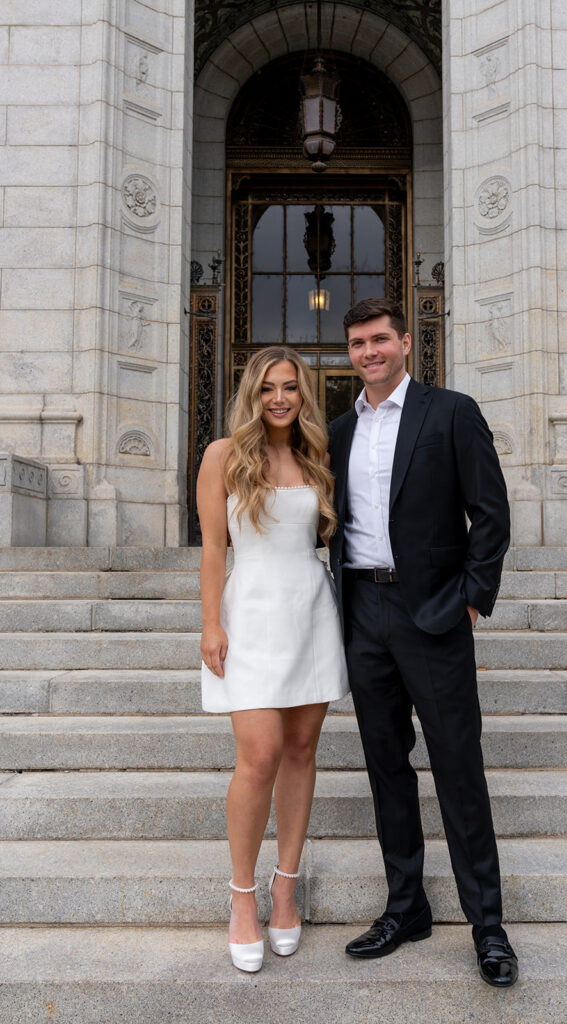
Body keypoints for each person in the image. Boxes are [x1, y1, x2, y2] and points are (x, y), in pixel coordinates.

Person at [327, 298, 518, 988]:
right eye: (356, 343)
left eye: (379, 339)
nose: (368, 351)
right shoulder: (340, 430)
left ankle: (487, 926)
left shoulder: (451, 412)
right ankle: (405, 907)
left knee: (457, 768)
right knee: (386, 766)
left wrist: (469, 599)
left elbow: (490, 515)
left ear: (405, 343)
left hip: (432, 611)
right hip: (363, 611)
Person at [197, 346, 348, 974]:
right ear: (252, 395)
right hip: (251, 611)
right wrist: (211, 622)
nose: (280, 398)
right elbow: (211, 548)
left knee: (302, 750)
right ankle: (241, 898)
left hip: (311, 609)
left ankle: (286, 888)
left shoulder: (316, 455)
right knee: (257, 756)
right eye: (267, 388)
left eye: (290, 387)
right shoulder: (223, 455)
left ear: (303, 395)